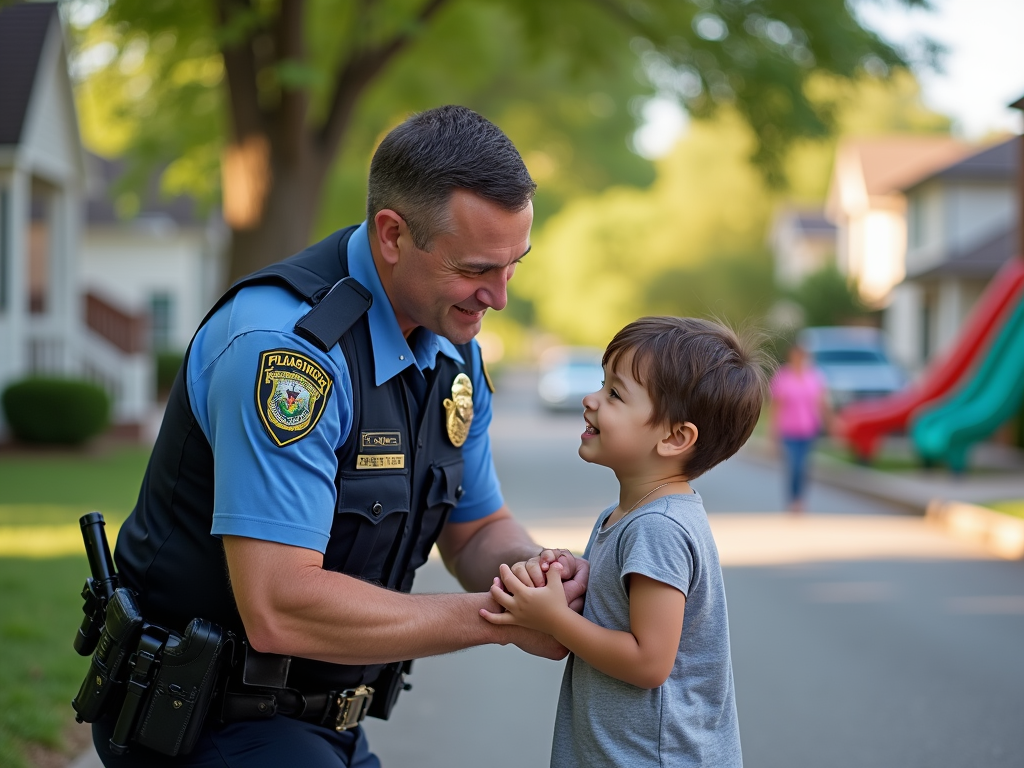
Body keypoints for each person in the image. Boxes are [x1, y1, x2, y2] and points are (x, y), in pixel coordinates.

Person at [91, 105, 587, 767]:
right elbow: (280, 606)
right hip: (199, 724)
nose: (497, 296)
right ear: (391, 235)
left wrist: (535, 577)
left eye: (512, 265)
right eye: (475, 269)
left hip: (323, 725)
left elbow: (473, 529)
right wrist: (496, 621)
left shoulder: (452, 348)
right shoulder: (287, 352)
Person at [482, 316, 766, 768]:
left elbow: (649, 662)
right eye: (602, 383)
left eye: (615, 394)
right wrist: (583, 574)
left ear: (675, 437)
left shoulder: (659, 527)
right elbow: (626, 605)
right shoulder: (626, 517)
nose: (590, 399)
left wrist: (555, 619)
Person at [769, 340, 830, 513]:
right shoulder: (783, 376)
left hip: (809, 429)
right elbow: (776, 407)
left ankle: (800, 499)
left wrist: (830, 423)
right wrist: (773, 434)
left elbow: (822, 403)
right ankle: (793, 499)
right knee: (794, 466)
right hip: (789, 429)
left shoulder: (814, 376)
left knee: (804, 466)